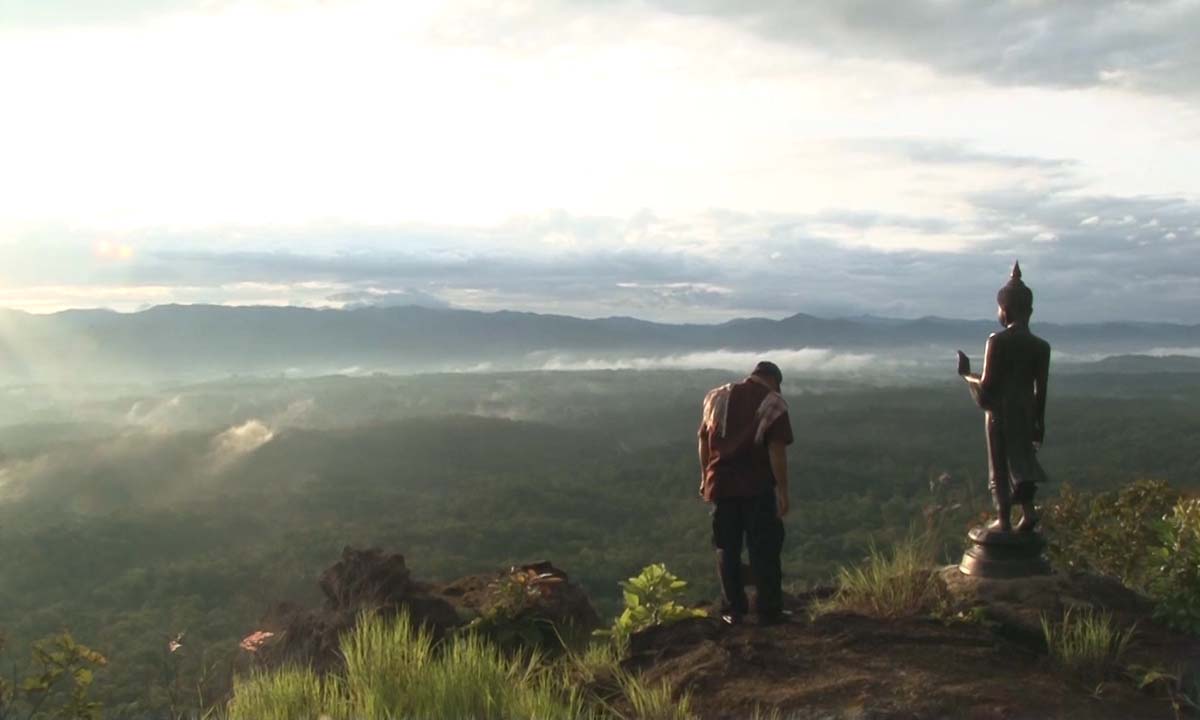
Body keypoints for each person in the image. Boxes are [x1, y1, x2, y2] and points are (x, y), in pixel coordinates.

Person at [957, 261, 1051, 533]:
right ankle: (1029, 511)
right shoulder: (1040, 347)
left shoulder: (997, 342)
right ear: (1030, 311)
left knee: (999, 467)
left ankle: (1005, 520)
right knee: (1024, 461)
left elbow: (987, 385)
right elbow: (1040, 389)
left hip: (1000, 413)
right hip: (1026, 411)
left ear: (1005, 310)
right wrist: (1039, 423)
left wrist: (966, 375)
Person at [698, 360, 793, 625]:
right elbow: (776, 450)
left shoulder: (716, 396)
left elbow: (704, 440)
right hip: (757, 487)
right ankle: (769, 609)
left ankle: (733, 610)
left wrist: (705, 476)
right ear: (774, 380)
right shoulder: (773, 402)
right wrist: (783, 491)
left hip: (721, 486)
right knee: (764, 547)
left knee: (726, 548)